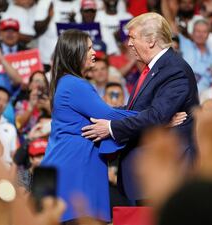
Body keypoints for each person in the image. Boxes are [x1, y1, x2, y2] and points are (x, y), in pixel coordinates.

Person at [82, 12, 199, 203]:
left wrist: (110, 128)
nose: (128, 44)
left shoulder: (174, 69)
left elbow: (155, 116)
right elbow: (135, 109)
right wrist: (99, 113)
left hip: (167, 171)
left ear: (151, 40)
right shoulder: (156, 68)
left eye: (132, 37)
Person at [40, 29, 139, 224]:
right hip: (75, 172)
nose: (94, 53)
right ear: (75, 52)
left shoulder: (67, 82)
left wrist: (136, 111)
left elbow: (109, 112)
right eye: (89, 48)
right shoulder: (74, 84)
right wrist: (155, 116)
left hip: (71, 168)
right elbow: (109, 115)